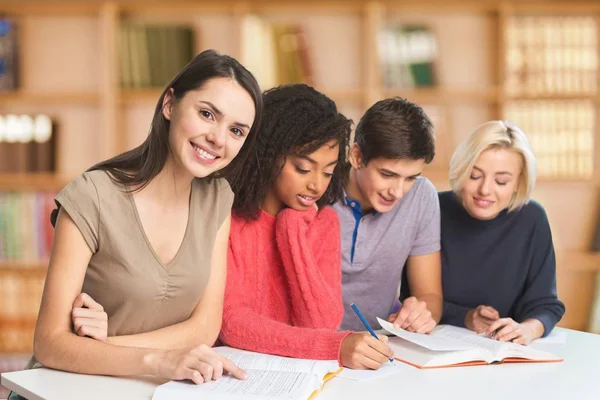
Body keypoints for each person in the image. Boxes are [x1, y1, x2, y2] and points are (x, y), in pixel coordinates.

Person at [24, 50, 262, 385]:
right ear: (169, 104)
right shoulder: (92, 195)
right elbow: (49, 344)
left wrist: (103, 347)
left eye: (237, 131)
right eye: (207, 114)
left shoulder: (217, 199)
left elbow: (204, 327)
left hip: (146, 388)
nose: (218, 139)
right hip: (68, 387)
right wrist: (158, 359)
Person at [219, 84, 394, 370]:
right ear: (269, 154)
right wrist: (333, 346)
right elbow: (231, 323)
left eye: (328, 172)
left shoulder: (324, 224)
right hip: (233, 377)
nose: (316, 184)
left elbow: (321, 323)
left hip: (299, 378)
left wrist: (292, 231)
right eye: (303, 169)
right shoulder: (227, 218)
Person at [332, 97, 442, 368]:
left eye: (410, 177)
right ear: (357, 156)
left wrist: (421, 313)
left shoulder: (421, 196)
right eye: (388, 174)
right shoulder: (317, 188)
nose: (398, 191)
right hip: (316, 347)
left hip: (382, 347)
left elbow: (430, 296)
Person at [439, 120, 565, 345]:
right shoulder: (434, 209)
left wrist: (527, 329)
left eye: (501, 181)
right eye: (475, 176)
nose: (485, 190)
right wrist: (466, 317)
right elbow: (413, 299)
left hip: (503, 354)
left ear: (518, 182)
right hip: (436, 348)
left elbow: (546, 304)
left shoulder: (532, 219)